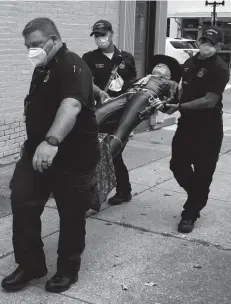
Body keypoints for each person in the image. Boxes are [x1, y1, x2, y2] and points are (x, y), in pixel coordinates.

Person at [1, 18, 100, 293]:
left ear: (54, 40)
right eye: (27, 46)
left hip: (72, 157)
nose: (31, 50)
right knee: (22, 205)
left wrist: (51, 141)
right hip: (35, 154)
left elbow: (71, 104)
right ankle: (31, 265)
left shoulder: (72, 63)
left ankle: (68, 270)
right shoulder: (44, 67)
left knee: (71, 215)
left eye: (36, 44)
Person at [165, 26, 230, 233]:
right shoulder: (189, 62)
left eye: (211, 43)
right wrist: (172, 100)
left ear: (219, 46)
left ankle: (190, 213)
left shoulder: (220, 68)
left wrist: (180, 107)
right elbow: (184, 89)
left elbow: (210, 101)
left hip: (208, 127)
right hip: (187, 125)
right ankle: (199, 195)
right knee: (177, 165)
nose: (206, 46)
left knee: (203, 172)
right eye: (203, 41)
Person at [82, 20, 137, 206]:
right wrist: (100, 92)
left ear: (111, 34)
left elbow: (133, 83)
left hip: (121, 113)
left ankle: (114, 191)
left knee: (113, 152)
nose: (100, 39)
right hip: (100, 111)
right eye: (96, 35)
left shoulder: (125, 57)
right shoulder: (89, 58)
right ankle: (119, 190)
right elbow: (86, 82)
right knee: (102, 153)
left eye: (103, 34)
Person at [96, 57, 181, 158]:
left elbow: (174, 98)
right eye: (158, 65)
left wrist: (163, 103)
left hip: (145, 95)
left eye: (164, 66)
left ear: (168, 75)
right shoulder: (141, 79)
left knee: (122, 129)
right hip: (126, 95)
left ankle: (103, 159)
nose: (160, 65)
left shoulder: (170, 82)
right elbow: (123, 88)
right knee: (97, 114)